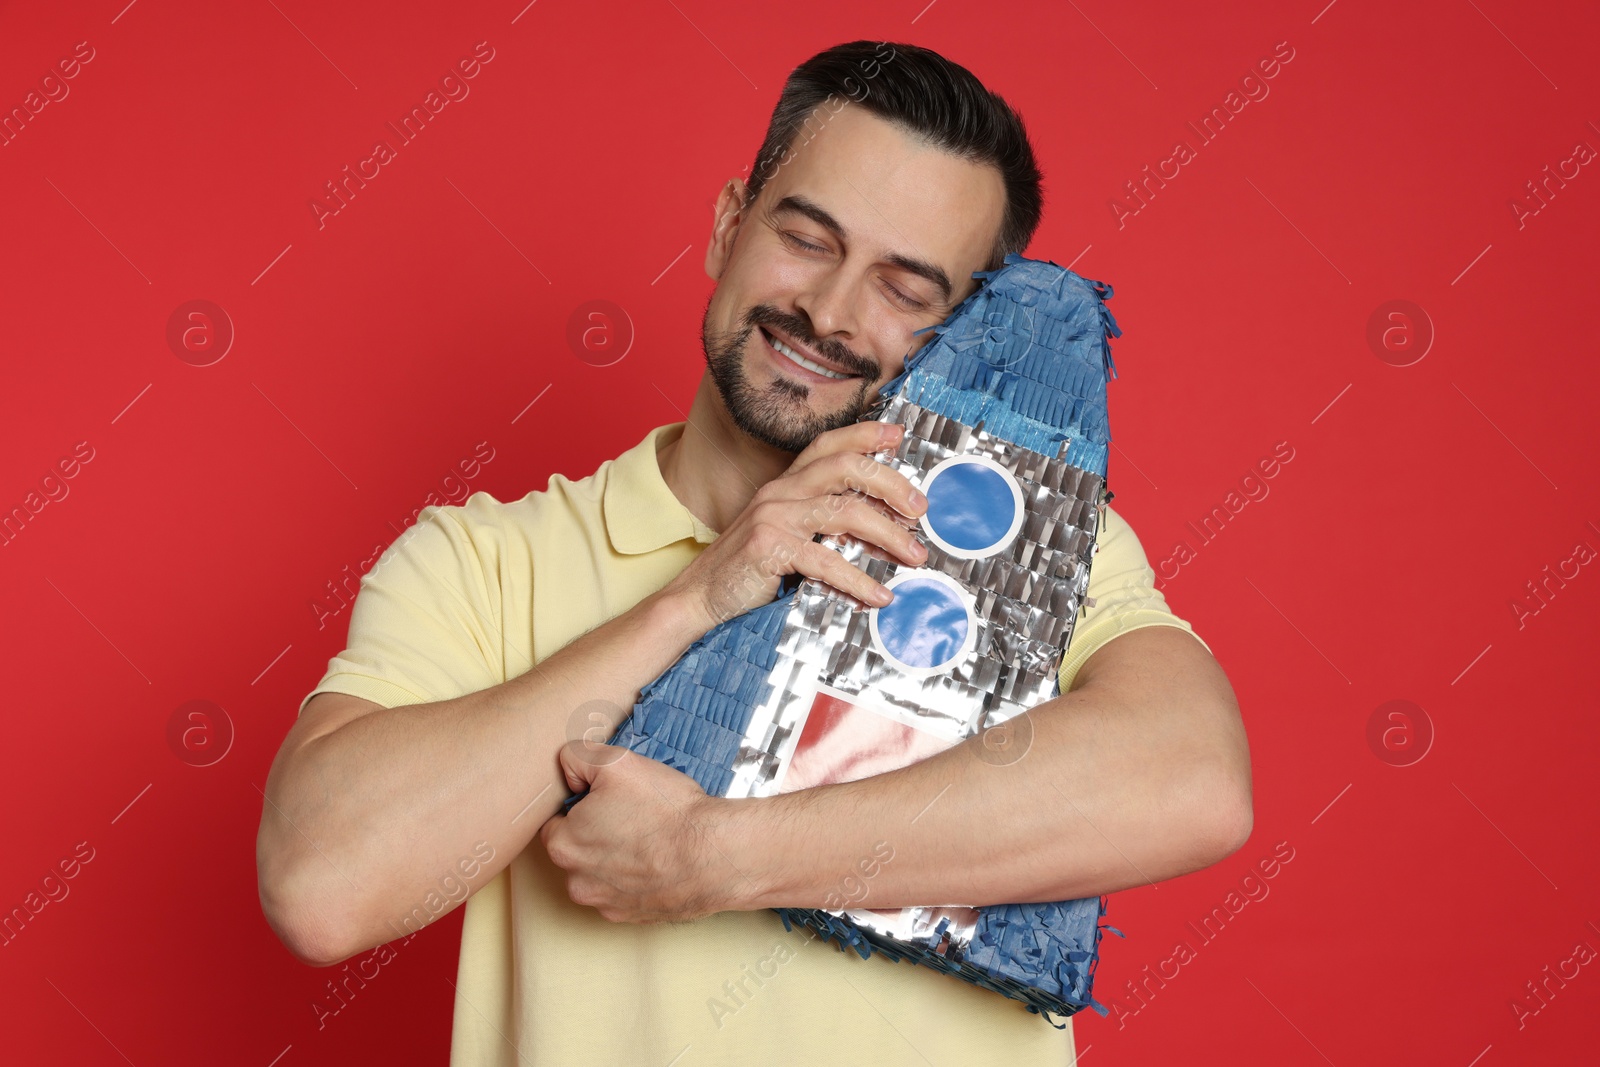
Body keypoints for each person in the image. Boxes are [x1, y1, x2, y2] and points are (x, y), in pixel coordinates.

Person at [256, 39, 1252, 1066]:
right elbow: (322, 887)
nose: (828, 312)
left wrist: (713, 856)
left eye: (905, 290)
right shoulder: (482, 561)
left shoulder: (1016, 538)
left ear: (966, 335)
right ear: (730, 226)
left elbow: (1193, 780)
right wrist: (693, 595)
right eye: (808, 238)